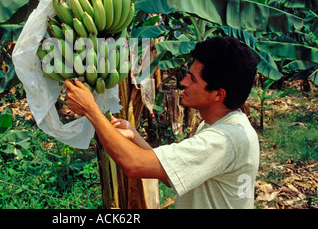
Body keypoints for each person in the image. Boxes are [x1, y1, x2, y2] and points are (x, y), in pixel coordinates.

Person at [65, 36, 259, 209]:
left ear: (218, 94)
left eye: (193, 79)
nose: (183, 83)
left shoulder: (223, 141)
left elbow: (135, 165)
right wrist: (134, 135)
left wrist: (91, 110)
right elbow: (171, 174)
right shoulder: (223, 124)